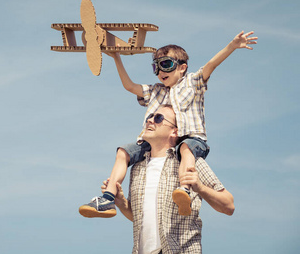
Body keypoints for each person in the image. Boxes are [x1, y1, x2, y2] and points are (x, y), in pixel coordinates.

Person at [79, 31, 256, 218]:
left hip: (191, 138)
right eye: (156, 67)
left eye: (166, 65)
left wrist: (233, 45)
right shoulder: (156, 91)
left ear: (182, 68)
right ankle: (107, 198)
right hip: (159, 143)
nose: (161, 72)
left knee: (186, 148)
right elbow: (130, 86)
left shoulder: (192, 83)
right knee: (123, 152)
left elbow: (211, 64)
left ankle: (184, 190)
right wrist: (116, 58)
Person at [102, 105, 235, 254]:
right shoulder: (137, 168)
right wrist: (122, 204)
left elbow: (228, 205)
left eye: (158, 118)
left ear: (175, 131)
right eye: (149, 117)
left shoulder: (190, 162)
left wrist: (200, 188)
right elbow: (140, 219)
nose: (150, 121)